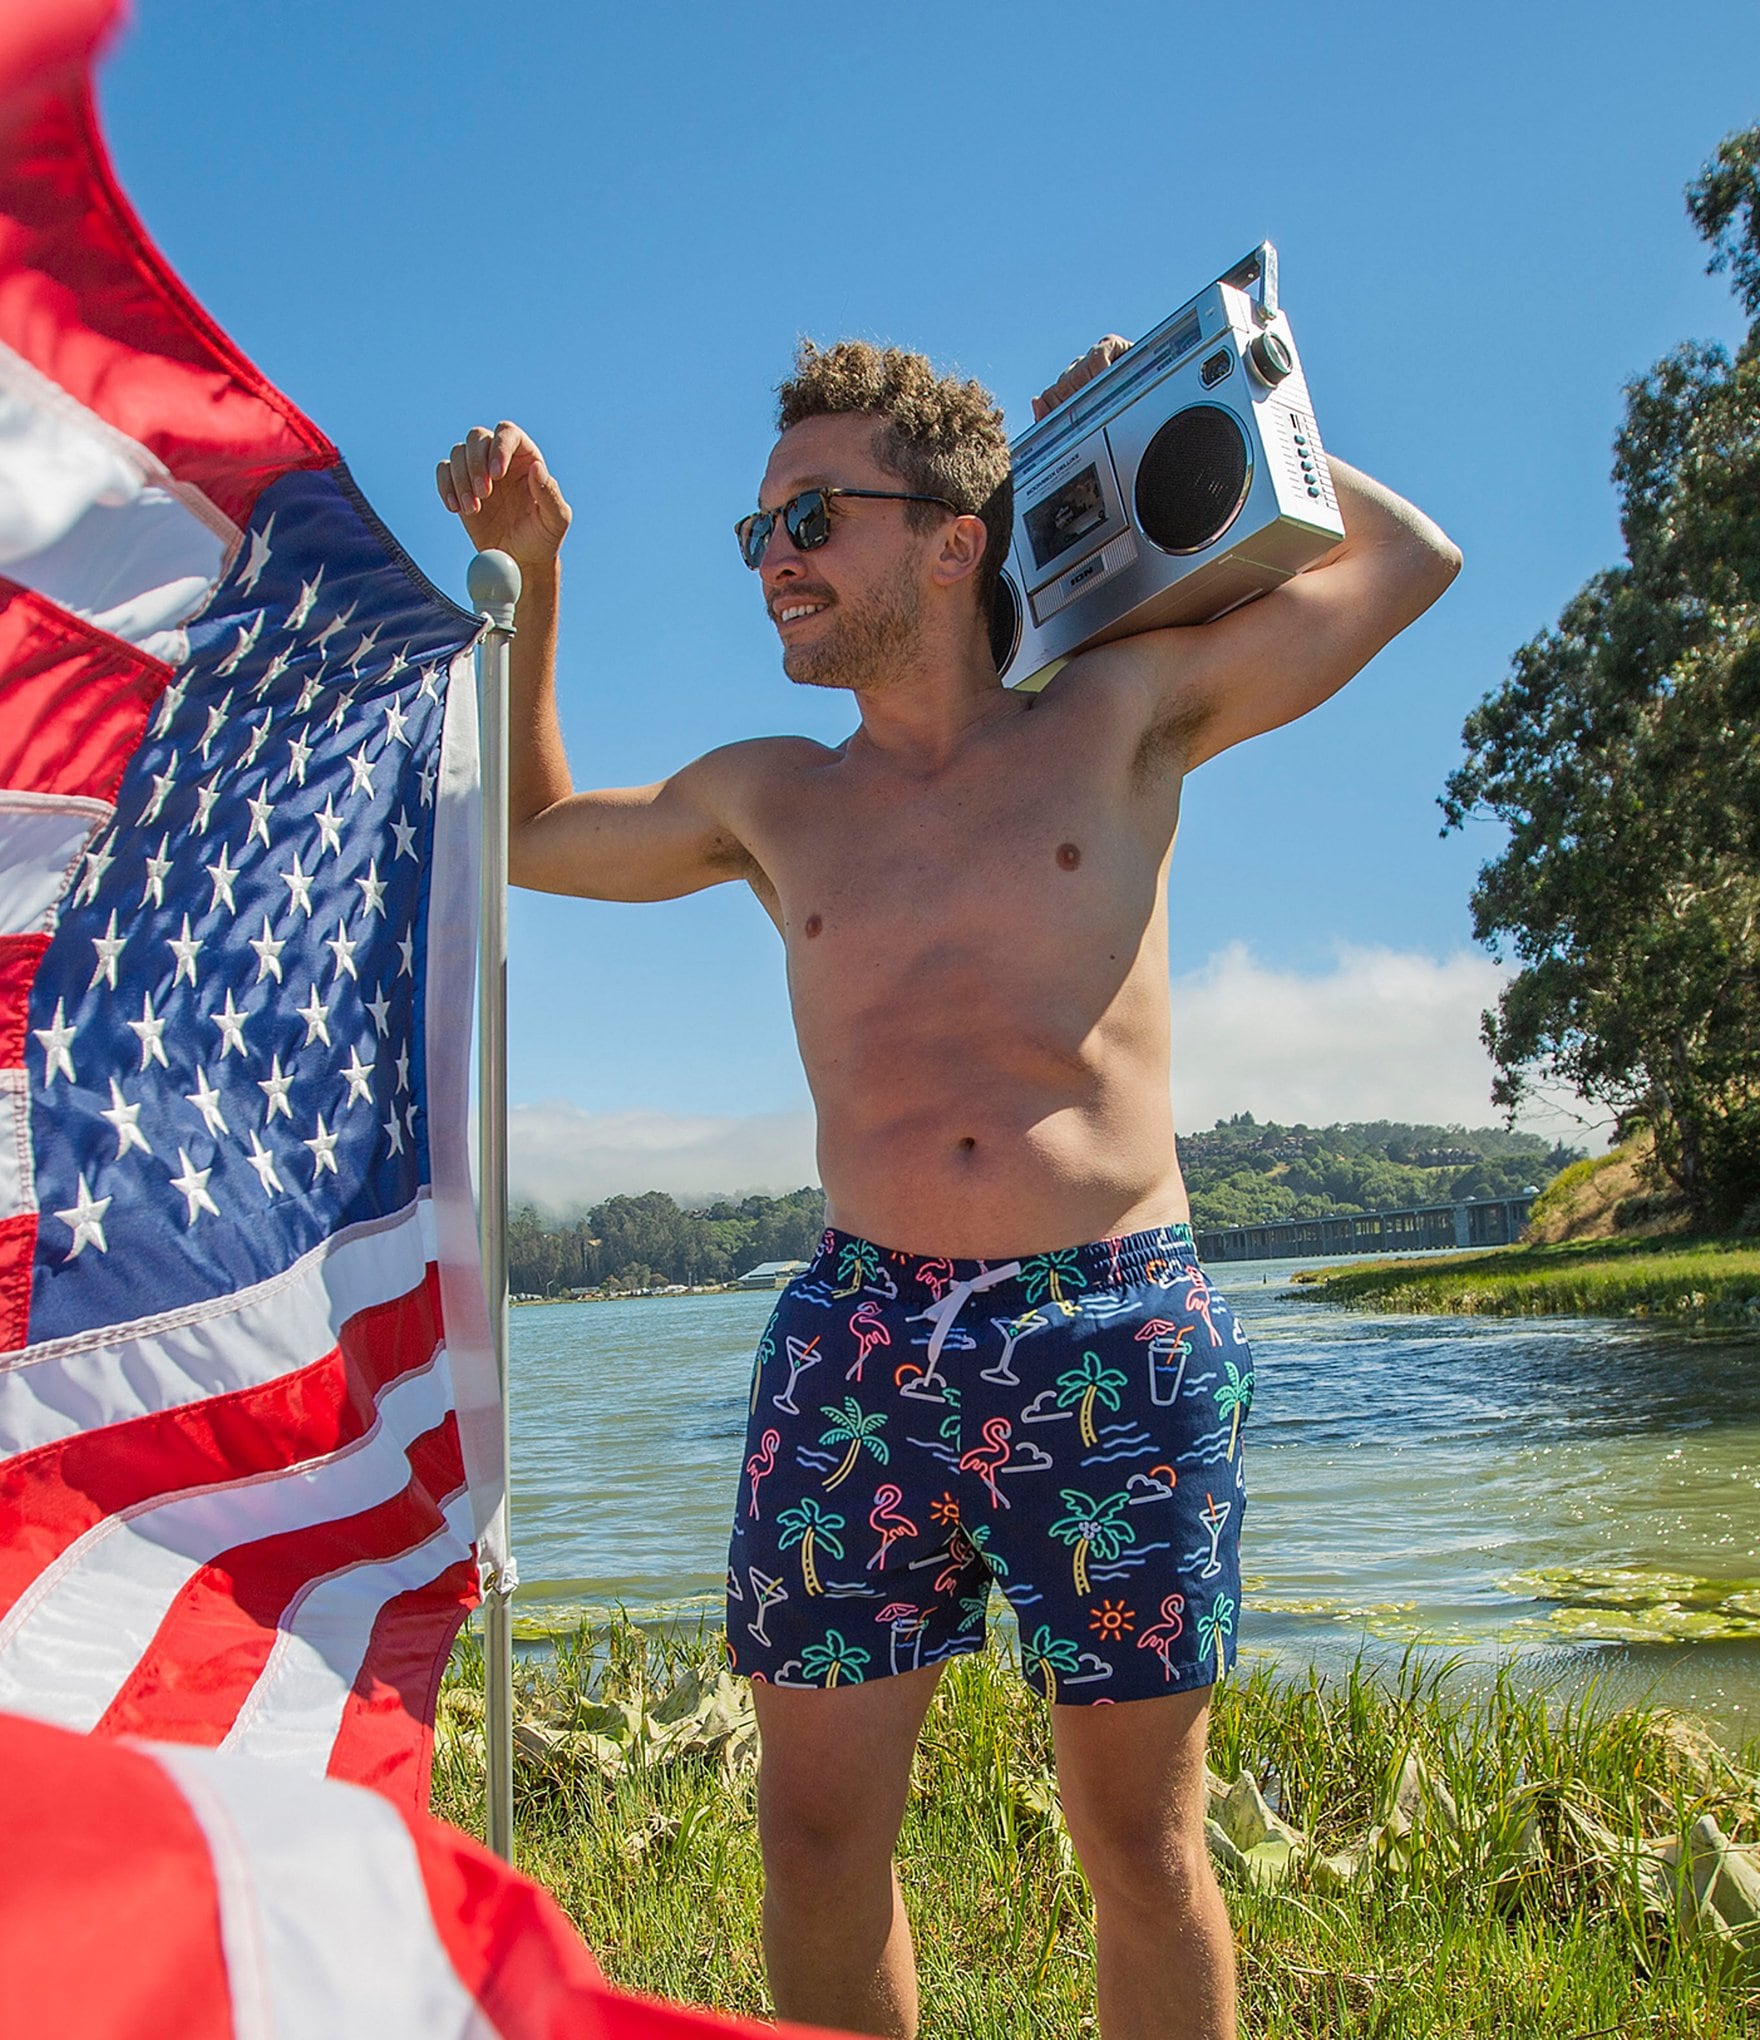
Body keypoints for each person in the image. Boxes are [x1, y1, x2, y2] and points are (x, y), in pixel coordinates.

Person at [437, 334, 1459, 2040]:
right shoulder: (773, 798)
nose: (775, 562)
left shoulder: (1122, 714)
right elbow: (533, 828)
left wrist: (1203, 394)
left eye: (813, 519)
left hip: (1113, 1323)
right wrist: (537, 571)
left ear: (956, 536)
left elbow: (1406, 561)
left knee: (1140, 1839)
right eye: (758, 531)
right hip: (862, 1336)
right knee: (815, 1832)